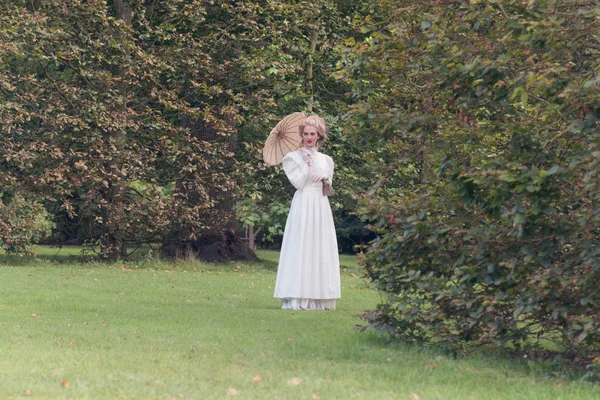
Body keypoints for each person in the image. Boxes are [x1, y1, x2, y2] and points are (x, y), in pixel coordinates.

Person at [273, 115, 341, 310]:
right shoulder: (292, 158)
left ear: (319, 136)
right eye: (305, 134)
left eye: (313, 134)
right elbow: (298, 183)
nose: (309, 137)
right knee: (301, 244)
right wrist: (307, 165)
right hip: (303, 203)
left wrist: (326, 180)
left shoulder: (327, 160)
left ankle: (319, 297)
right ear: (301, 136)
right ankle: (298, 296)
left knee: (320, 246)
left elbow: (329, 189)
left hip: (320, 205)